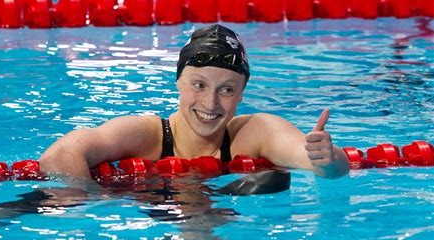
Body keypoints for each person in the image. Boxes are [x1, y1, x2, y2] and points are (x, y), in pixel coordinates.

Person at [40, 24, 350, 179]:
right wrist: (95, 202)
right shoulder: (146, 134)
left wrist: (330, 158)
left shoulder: (257, 131)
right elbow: (60, 156)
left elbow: (319, 166)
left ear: (242, 93)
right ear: (178, 82)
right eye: (198, 85)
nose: (210, 102)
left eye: (227, 90)